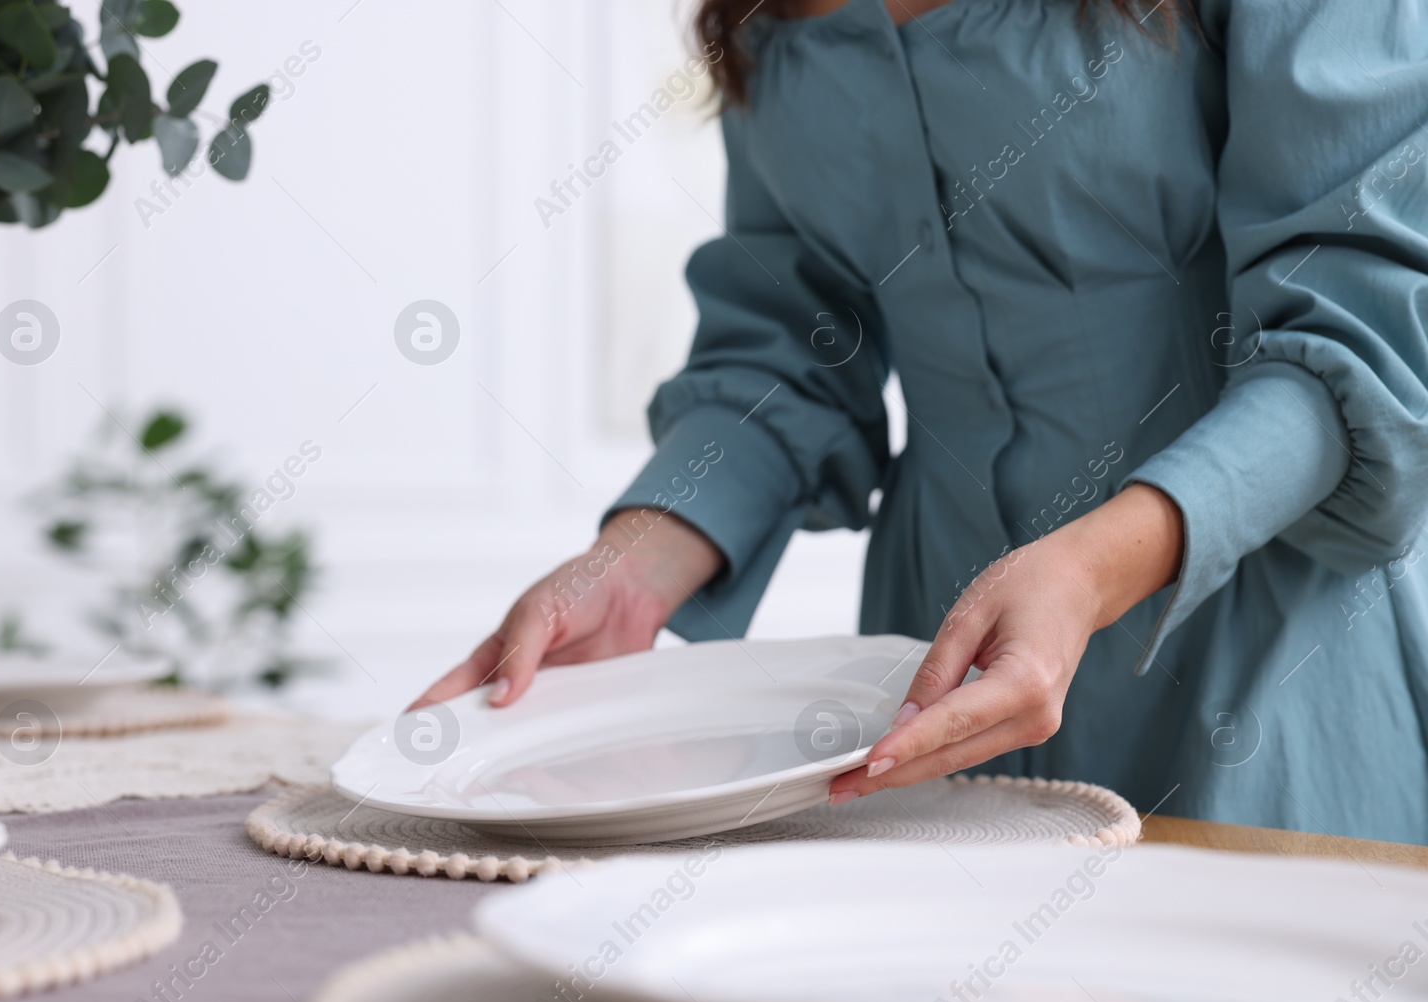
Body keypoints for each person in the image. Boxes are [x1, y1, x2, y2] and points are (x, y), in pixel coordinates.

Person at [417, 0, 1428, 844]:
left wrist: (1083, 572)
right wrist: (629, 565)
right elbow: (791, 346)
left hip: (1269, 660)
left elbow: (1361, 336)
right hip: (933, 672)